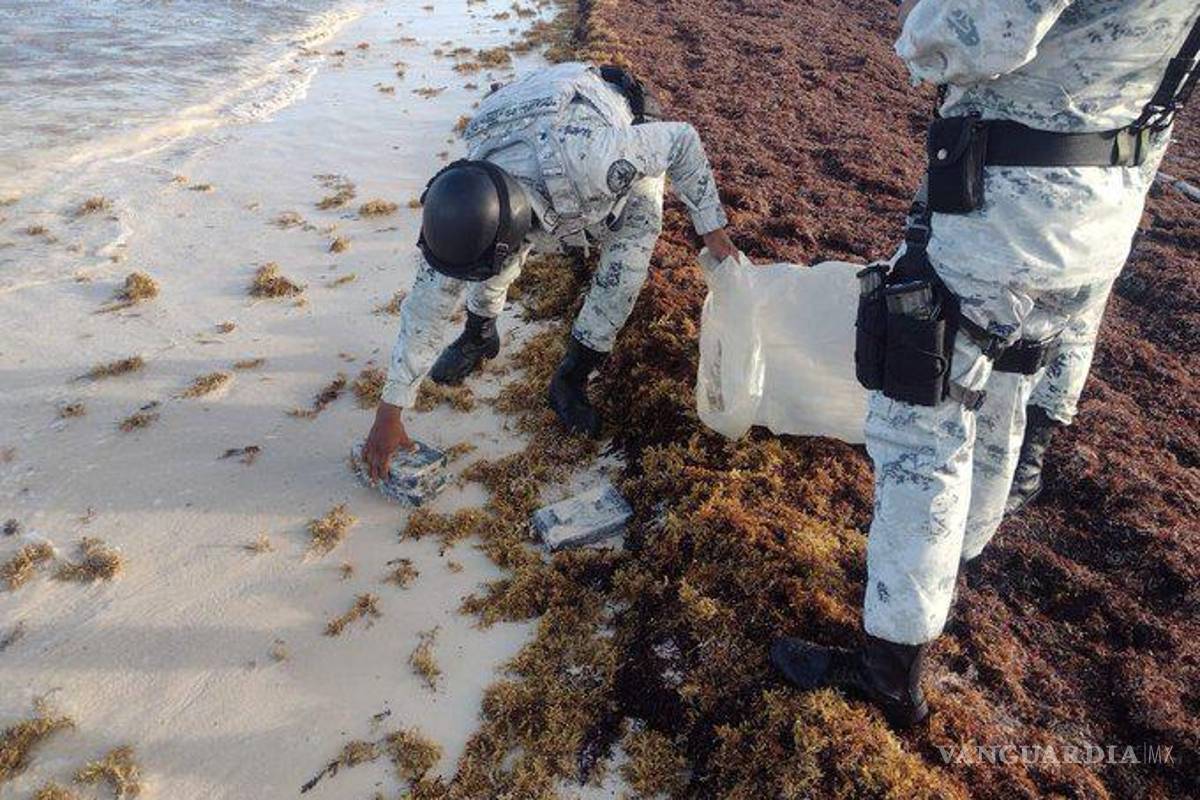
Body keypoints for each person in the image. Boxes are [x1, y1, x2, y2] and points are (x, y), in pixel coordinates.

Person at [771, 0, 1199, 729]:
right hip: (1102, 219)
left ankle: (889, 669)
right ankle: (950, 567)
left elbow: (961, 39)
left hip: (1006, 222)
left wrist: (918, 29)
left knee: (920, 433)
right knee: (1007, 388)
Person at [362, 62, 737, 480]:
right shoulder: (462, 196)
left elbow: (682, 140)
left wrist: (712, 232)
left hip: (596, 136)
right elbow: (425, 309)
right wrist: (389, 410)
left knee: (625, 269)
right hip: (522, 123)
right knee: (487, 259)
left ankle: (572, 377)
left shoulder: (596, 159)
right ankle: (479, 334)